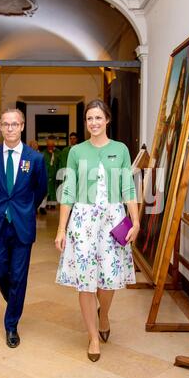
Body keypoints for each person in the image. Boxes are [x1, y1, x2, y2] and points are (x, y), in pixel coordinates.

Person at [55, 99, 139, 362]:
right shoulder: (77, 151)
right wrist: (61, 229)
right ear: (85, 123)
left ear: (107, 120)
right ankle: (93, 336)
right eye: (89, 119)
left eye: (98, 118)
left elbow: (128, 186)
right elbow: (68, 190)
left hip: (114, 220)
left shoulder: (121, 149)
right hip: (82, 222)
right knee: (86, 281)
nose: (93, 123)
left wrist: (135, 221)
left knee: (109, 278)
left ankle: (104, 315)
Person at [0, 109, 47, 348]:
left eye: (14, 124)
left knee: (18, 276)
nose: (10, 128)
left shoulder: (35, 159)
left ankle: (11, 325)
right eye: (5, 124)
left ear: (22, 126)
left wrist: (26, 208)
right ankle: (14, 299)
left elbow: (40, 190)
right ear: (0, 127)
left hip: (22, 225)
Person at [28, 140, 47, 214]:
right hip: (30, 180)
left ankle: (41, 207)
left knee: (41, 192)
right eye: (32, 145)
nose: (34, 146)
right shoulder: (26, 156)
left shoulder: (41, 156)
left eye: (35, 145)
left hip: (39, 178)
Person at [43, 135, 62, 210]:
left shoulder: (58, 152)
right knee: (47, 189)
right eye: (49, 146)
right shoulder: (44, 153)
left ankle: (53, 203)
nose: (50, 147)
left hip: (55, 173)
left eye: (52, 146)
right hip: (46, 174)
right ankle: (46, 204)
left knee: (54, 189)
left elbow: (60, 163)